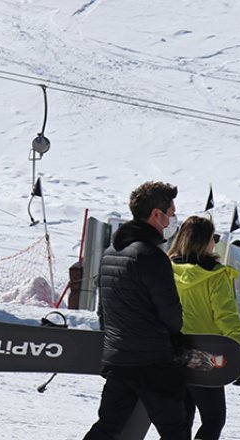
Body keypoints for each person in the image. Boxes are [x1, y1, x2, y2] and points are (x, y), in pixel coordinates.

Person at [83, 181, 190, 440]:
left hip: (119, 360)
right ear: (156, 214)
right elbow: (172, 316)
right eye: (171, 214)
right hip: (153, 362)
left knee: (108, 427)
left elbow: (104, 311)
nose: (171, 221)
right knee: (176, 430)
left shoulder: (110, 253)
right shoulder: (152, 256)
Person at [167, 216, 240, 440]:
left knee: (182, 420)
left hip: (171, 352)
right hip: (205, 354)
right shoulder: (216, 276)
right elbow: (228, 321)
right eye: (213, 238)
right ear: (204, 242)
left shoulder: (166, 269)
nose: (215, 243)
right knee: (214, 418)